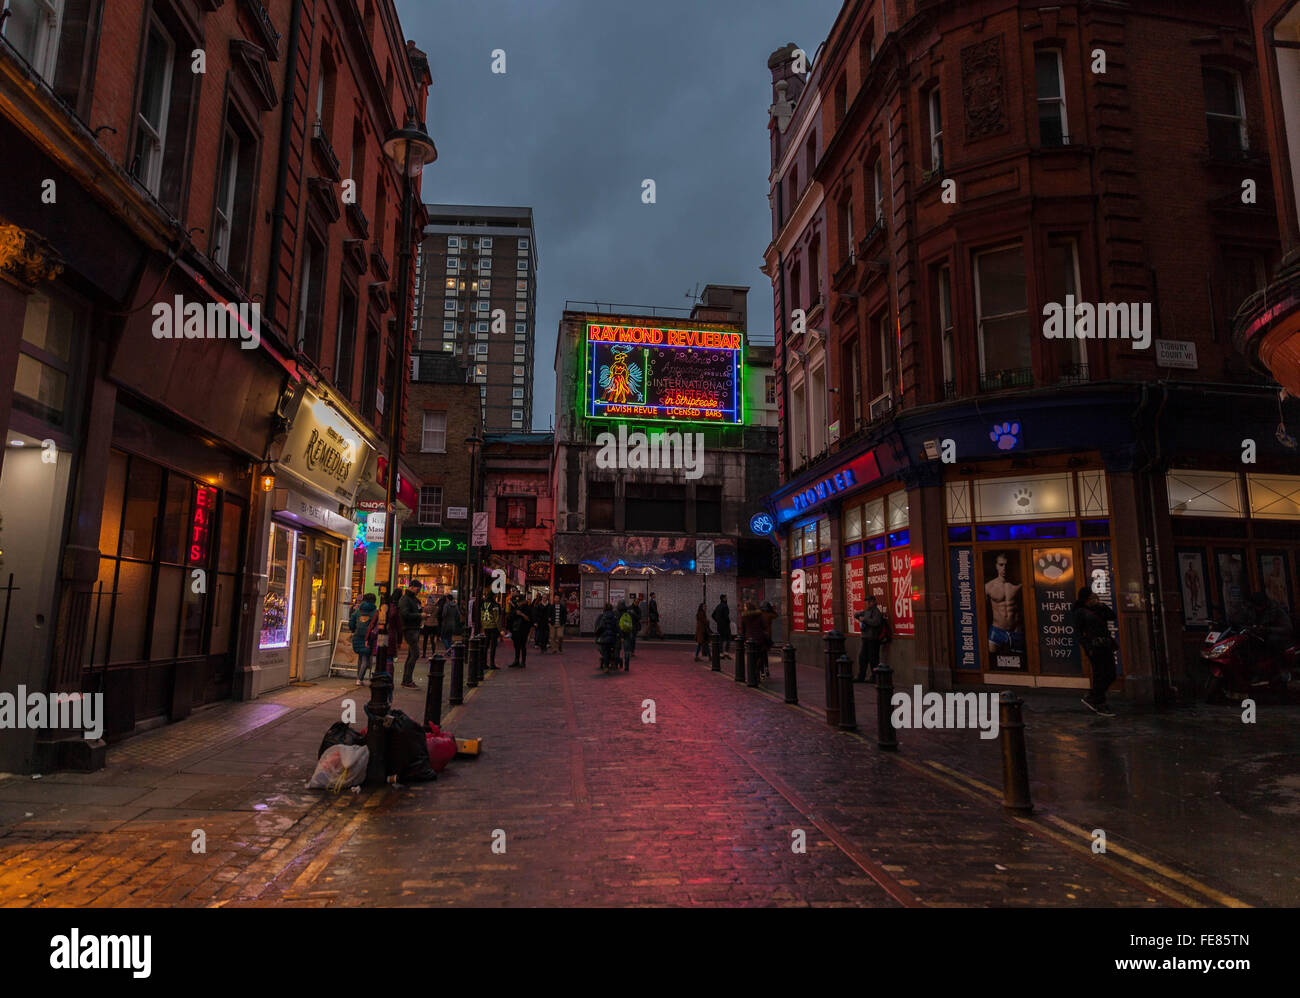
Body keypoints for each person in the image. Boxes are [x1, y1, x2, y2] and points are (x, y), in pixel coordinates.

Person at [1073, 585, 1118, 716]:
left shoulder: (1098, 609)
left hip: (1106, 645)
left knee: (1111, 674)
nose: (1094, 598)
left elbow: (1112, 616)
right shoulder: (1080, 612)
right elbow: (1079, 633)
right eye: (1091, 596)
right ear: (1086, 598)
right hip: (1094, 647)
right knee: (1100, 674)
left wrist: (1102, 605)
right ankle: (1099, 702)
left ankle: (1094, 697)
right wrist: (1088, 647)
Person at [985, 552, 1025, 659]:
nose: (1004, 568)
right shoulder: (988, 587)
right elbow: (981, 612)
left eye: (1006, 565)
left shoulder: (1019, 585)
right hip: (997, 630)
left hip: (1016, 630)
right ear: (996, 566)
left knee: (1019, 662)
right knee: (992, 661)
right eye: (1001, 565)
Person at [367, 593, 404, 704]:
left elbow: (372, 624)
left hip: (380, 637)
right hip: (390, 637)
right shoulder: (395, 611)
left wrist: (367, 638)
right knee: (388, 660)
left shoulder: (379, 611)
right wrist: (399, 642)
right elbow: (399, 628)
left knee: (380, 659)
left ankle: (378, 680)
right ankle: (388, 682)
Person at [398, 581, 425, 689]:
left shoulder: (413, 599)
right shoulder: (405, 599)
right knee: (415, 653)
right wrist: (419, 615)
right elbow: (404, 614)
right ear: (412, 587)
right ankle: (407, 680)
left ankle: (406, 679)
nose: (418, 591)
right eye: (417, 589)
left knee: (411, 654)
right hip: (409, 629)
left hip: (415, 628)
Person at [854, 594, 886, 683]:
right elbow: (857, 615)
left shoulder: (876, 612)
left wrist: (864, 620)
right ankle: (861, 676)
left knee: (873, 659)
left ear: (873, 602)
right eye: (866, 602)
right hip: (865, 638)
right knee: (862, 658)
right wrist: (858, 615)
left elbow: (876, 622)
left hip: (873, 639)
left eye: (869, 602)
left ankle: (874, 677)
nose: (867, 604)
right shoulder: (866, 611)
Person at [349, 592, 377, 685]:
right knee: (365, 659)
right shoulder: (374, 611)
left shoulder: (358, 610)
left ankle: (358, 678)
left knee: (361, 658)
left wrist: (353, 630)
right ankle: (359, 679)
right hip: (368, 638)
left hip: (357, 636)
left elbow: (352, 621)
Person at [740, 601, 767, 676]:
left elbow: (743, 629)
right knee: (760, 655)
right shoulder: (759, 615)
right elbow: (764, 626)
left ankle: (753, 673)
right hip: (759, 638)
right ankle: (758, 670)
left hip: (749, 639)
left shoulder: (744, 617)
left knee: (751, 657)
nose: (744, 608)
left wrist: (743, 639)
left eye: (745, 607)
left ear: (748, 608)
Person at [506, 595, 533, 667]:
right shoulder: (516, 608)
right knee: (516, 646)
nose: (519, 603)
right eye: (518, 602)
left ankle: (523, 662)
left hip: (523, 629)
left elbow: (529, 619)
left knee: (522, 646)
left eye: (520, 602)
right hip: (515, 630)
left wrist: (521, 614)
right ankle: (516, 660)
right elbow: (510, 618)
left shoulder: (527, 608)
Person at [480, 590, 502, 669]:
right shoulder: (495, 605)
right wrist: (500, 629)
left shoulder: (484, 604)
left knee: (486, 646)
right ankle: (492, 663)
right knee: (493, 646)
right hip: (493, 627)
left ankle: (484, 663)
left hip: (486, 626)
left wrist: (483, 625)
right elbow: (497, 618)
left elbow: (482, 616)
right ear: (493, 596)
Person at [595, 602, 620, 671]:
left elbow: (597, 628)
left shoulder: (601, 617)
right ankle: (613, 663)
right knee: (614, 649)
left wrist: (597, 637)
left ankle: (606, 666)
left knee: (605, 651)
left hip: (604, 638)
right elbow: (617, 628)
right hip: (612, 638)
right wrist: (621, 635)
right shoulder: (614, 618)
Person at [616, 600, 635, 670]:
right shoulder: (629, 613)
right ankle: (626, 666)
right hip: (627, 633)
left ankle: (616, 663)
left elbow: (616, 624)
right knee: (627, 650)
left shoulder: (616, 613)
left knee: (617, 649)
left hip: (619, 633)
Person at [712, 595, 733, 659]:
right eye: (726, 598)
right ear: (723, 599)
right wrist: (729, 622)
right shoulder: (725, 606)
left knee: (721, 639)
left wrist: (718, 621)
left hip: (719, 626)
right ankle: (726, 652)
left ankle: (721, 653)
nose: (727, 598)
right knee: (728, 639)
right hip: (725, 626)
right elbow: (726, 616)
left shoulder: (718, 606)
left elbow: (713, 615)